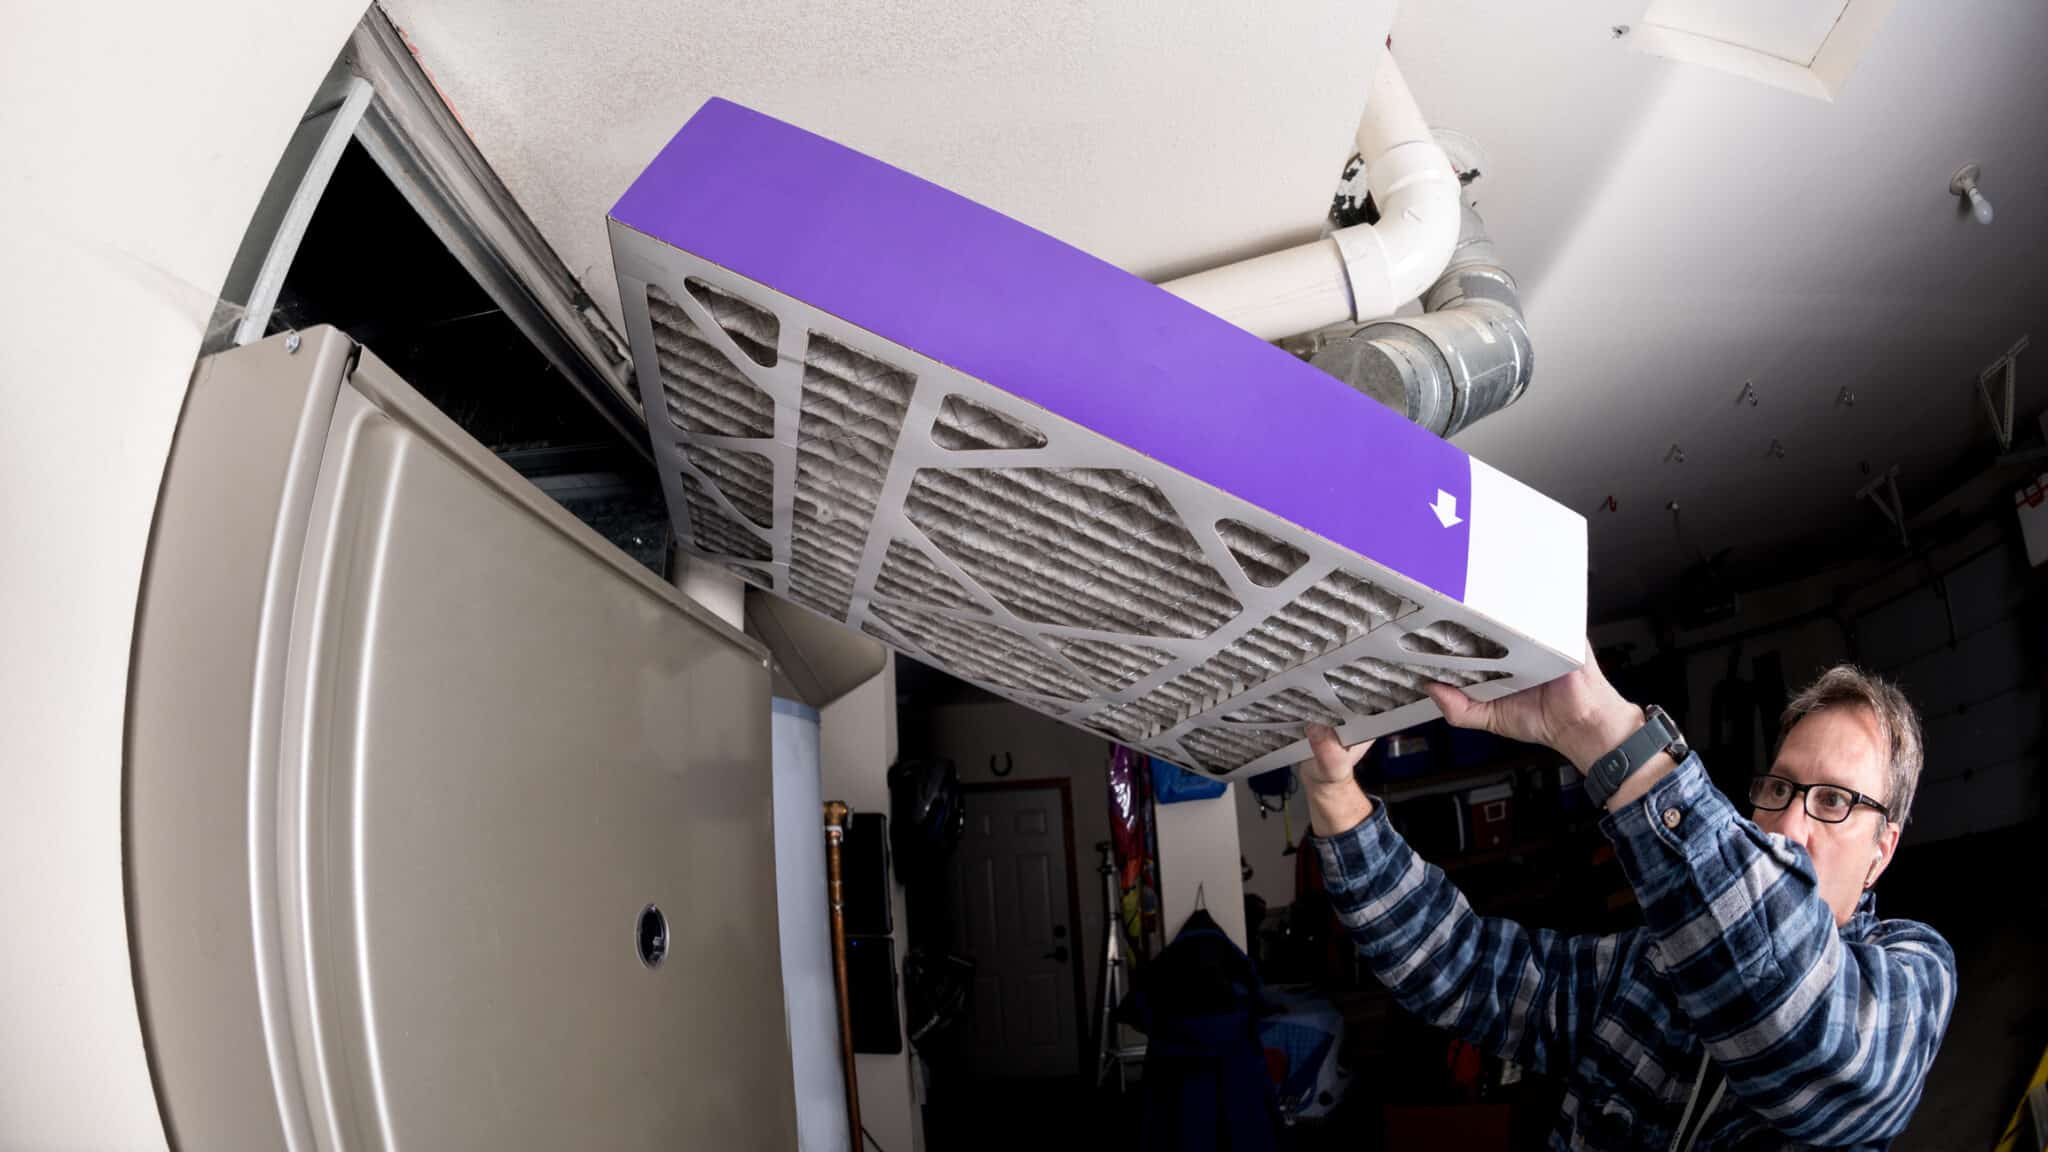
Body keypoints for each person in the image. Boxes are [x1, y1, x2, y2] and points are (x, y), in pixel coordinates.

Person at [1301, 647, 1955, 1150]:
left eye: (1835, 801)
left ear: (1883, 850)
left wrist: (1602, 733)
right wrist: (1335, 796)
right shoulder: (1654, 963)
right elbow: (1469, 972)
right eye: (1780, 788)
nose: (1787, 825)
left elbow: (1809, 1034)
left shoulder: (1912, 976)